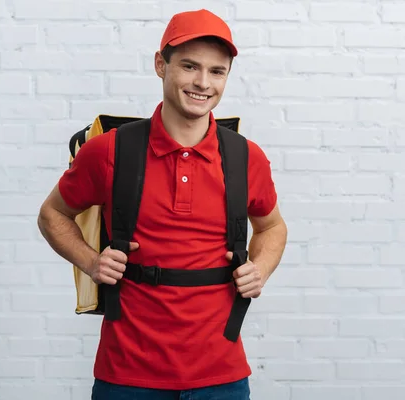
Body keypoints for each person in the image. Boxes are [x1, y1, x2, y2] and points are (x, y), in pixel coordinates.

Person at [37, 8, 287, 400]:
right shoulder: (109, 151)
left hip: (221, 376)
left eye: (217, 71)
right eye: (190, 66)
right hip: (126, 376)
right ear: (160, 64)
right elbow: (53, 214)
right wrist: (90, 261)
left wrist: (261, 269)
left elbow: (272, 226)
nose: (203, 83)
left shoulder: (245, 157)